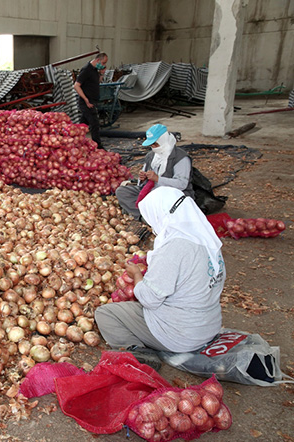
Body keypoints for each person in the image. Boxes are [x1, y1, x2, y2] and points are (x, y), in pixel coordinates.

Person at [95, 187, 225, 362]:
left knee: (105, 314)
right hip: (209, 327)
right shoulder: (207, 241)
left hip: (181, 336)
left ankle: (138, 353)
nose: (150, 224)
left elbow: (149, 299)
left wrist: (137, 275)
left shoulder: (174, 249)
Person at [115, 123, 194, 219]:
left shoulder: (180, 158)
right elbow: (142, 183)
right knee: (122, 192)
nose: (154, 147)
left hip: (171, 195)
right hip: (152, 192)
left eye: (155, 144)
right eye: (151, 145)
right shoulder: (151, 155)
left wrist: (158, 179)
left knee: (165, 203)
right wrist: (142, 179)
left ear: (163, 140)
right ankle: (144, 216)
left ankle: (149, 216)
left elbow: (182, 184)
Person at [74, 52, 108, 149]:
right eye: (103, 63)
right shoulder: (86, 70)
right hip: (87, 102)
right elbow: (76, 85)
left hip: (92, 100)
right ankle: (98, 146)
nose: (104, 65)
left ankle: (76, 141)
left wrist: (101, 74)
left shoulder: (95, 70)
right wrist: (86, 100)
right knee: (94, 123)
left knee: (82, 124)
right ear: (98, 60)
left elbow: (96, 82)